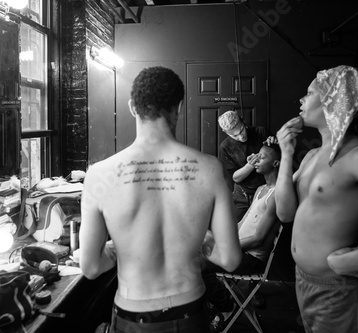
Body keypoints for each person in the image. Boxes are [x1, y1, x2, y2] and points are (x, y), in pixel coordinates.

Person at [79, 66, 242, 333]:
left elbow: (91, 267)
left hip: (134, 314)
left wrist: (120, 247)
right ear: (179, 106)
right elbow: (231, 259)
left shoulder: (99, 175)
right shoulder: (210, 168)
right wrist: (199, 240)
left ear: (132, 107)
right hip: (190, 309)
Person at [274, 65, 358, 333]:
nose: (301, 100)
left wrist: (348, 262)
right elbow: (284, 213)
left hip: (340, 289)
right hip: (303, 280)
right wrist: (286, 154)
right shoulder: (312, 156)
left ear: (334, 100)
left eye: (309, 92)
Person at [203, 141, 281, 330]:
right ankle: (218, 303)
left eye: (262, 157)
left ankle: (226, 306)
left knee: (195, 264)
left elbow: (258, 238)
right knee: (199, 242)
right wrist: (218, 237)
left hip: (251, 258)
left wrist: (226, 246)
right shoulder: (261, 190)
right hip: (238, 249)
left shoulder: (277, 194)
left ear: (276, 163)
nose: (256, 160)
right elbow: (241, 223)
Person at [218, 111, 269, 222]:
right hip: (242, 195)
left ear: (243, 120)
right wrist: (249, 166)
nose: (241, 137)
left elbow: (277, 157)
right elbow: (235, 178)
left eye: (241, 130)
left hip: (267, 190)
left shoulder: (261, 132)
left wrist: (274, 143)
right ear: (225, 132)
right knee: (235, 228)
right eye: (235, 135)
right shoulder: (225, 147)